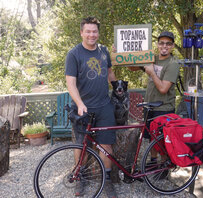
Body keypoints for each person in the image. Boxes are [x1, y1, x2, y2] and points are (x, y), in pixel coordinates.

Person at [65, 17, 117, 197]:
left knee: (106, 145)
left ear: (98, 33)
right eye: (88, 31)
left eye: (94, 31)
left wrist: (116, 86)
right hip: (83, 108)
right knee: (80, 145)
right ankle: (80, 177)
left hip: (104, 107)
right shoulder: (74, 54)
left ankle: (107, 179)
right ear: (81, 32)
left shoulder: (103, 50)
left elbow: (109, 71)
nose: (91, 35)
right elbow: (70, 83)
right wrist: (79, 103)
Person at [130, 31, 180, 162]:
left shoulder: (173, 64)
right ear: (157, 44)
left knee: (161, 140)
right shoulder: (152, 58)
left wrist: (152, 73)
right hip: (149, 105)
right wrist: (121, 52)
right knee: (151, 137)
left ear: (172, 46)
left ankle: (164, 166)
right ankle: (153, 162)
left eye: (168, 44)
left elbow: (163, 89)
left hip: (163, 108)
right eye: (162, 43)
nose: (164, 46)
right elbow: (132, 67)